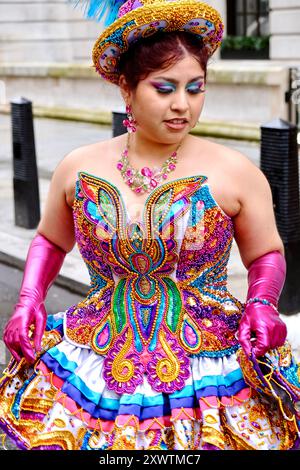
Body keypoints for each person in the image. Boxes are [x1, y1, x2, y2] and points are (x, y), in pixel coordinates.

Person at [0, 0, 299, 451]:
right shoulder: (78, 167)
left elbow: (265, 254)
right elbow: (49, 239)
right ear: (126, 87)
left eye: (195, 88)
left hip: (210, 362)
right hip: (94, 356)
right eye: (164, 88)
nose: (183, 105)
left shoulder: (235, 171)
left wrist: (262, 304)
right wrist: (28, 300)